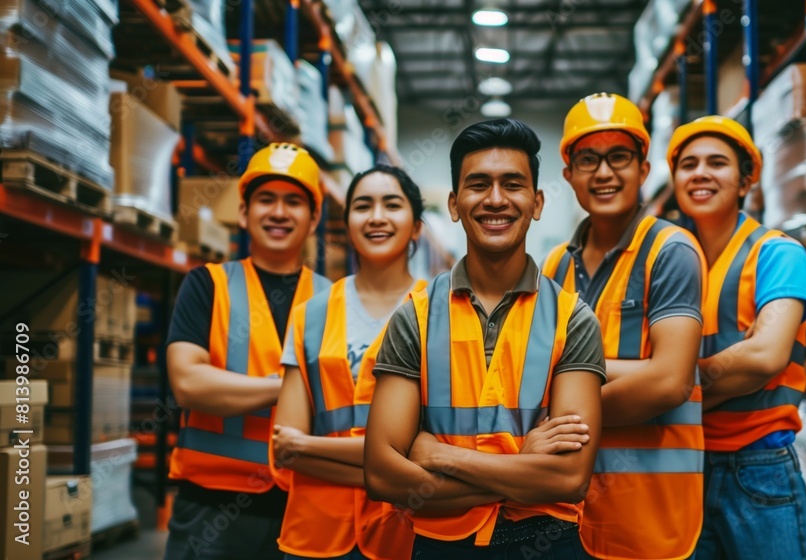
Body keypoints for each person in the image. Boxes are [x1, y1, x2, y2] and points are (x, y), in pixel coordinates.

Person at [364, 119, 607, 559]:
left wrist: (438, 455)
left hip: (546, 544)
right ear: (455, 204)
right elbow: (382, 475)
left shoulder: (573, 320)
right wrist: (521, 469)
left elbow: (569, 479)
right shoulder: (414, 318)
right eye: (479, 185)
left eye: (512, 185)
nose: (496, 199)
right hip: (442, 545)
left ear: (536, 202)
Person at [542, 92, 706, 560]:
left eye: (619, 157)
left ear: (643, 170)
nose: (605, 173)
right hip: (571, 513)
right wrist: (631, 373)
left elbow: (669, 382)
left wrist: (567, 406)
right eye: (588, 159)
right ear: (569, 173)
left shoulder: (670, 251)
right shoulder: (555, 266)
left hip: (652, 517)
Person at [164, 143, 332, 560]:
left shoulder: (335, 300)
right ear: (243, 213)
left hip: (308, 504)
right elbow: (187, 383)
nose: (279, 212)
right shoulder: (207, 285)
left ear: (313, 219)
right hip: (211, 509)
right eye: (266, 200)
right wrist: (288, 387)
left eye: (294, 201)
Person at [667, 116, 806, 559]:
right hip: (682, 466)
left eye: (717, 163)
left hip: (758, 467)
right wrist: (733, 365)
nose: (700, 173)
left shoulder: (777, 253)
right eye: (688, 163)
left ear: (746, 179)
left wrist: (670, 387)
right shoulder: (668, 262)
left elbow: (765, 357)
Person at [269, 165, 426, 560]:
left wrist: (311, 447)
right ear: (348, 221)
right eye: (362, 206)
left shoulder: (440, 312)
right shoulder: (311, 314)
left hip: (406, 535)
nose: (376, 217)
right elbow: (285, 449)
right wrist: (391, 468)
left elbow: (439, 449)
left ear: (417, 227)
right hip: (316, 535)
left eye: (391, 205)